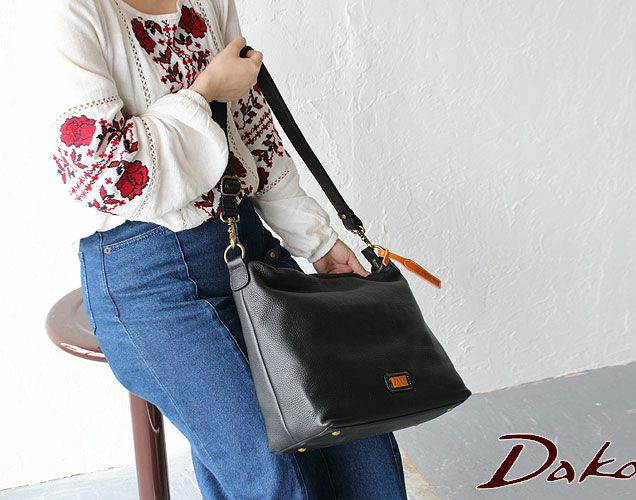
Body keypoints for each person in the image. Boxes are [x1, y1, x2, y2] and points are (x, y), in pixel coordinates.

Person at [46, 0, 409, 498]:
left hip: (246, 242)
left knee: (355, 432)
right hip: (146, 273)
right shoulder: (70, 12)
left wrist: (318, 242)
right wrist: (204, 93)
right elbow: (104, 176)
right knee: (273, 471)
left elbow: (252, 128)